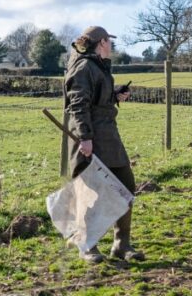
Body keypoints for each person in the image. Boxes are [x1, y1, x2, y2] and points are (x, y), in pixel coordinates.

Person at [64, 26, 144, 264]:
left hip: (108, 136)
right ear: (101, 42)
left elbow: (97, 99)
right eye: (110, 41)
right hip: (90, 138)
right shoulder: (84, 67)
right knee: (89, 193)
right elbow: (77, 105)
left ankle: (121, 245)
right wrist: (85, 138)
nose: (112, 46)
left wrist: (115, 95)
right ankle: (87, 245)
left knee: (126, 187)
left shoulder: (98, 66)